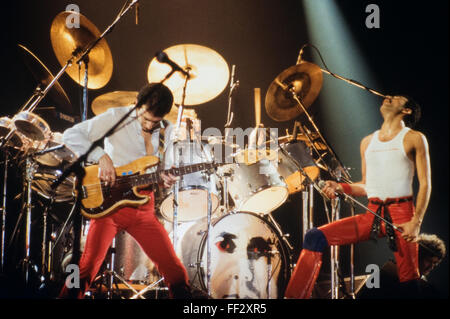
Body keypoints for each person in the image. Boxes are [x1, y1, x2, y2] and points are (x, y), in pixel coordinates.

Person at [284, 95, 432, 299]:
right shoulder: (368, 142)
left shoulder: (414, 138)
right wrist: (340, 186)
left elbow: (426, 183)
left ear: (406, 111)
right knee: (314, 236)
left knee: (409, 279)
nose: (389, 97)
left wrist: (417, 222)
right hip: (372, 214)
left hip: (402, 215)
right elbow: (367, 186)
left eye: (397, 98)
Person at [58, 83, 191, 298]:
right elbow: (71, 135)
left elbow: (164, 169)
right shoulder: (116, 117)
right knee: (85, 270)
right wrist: (101, 156)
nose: (148, 125)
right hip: (109, 204)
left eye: (154, 122)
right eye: (144, 118)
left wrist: (167, 179)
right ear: (136, 105)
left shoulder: (168, 129)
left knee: (175, 270)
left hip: (143, 208)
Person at [358, 233, 446, 298]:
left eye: (435, 263)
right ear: (418, 256)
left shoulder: (421, 283)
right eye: (429, 261)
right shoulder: (388, 272)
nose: (431, 266)